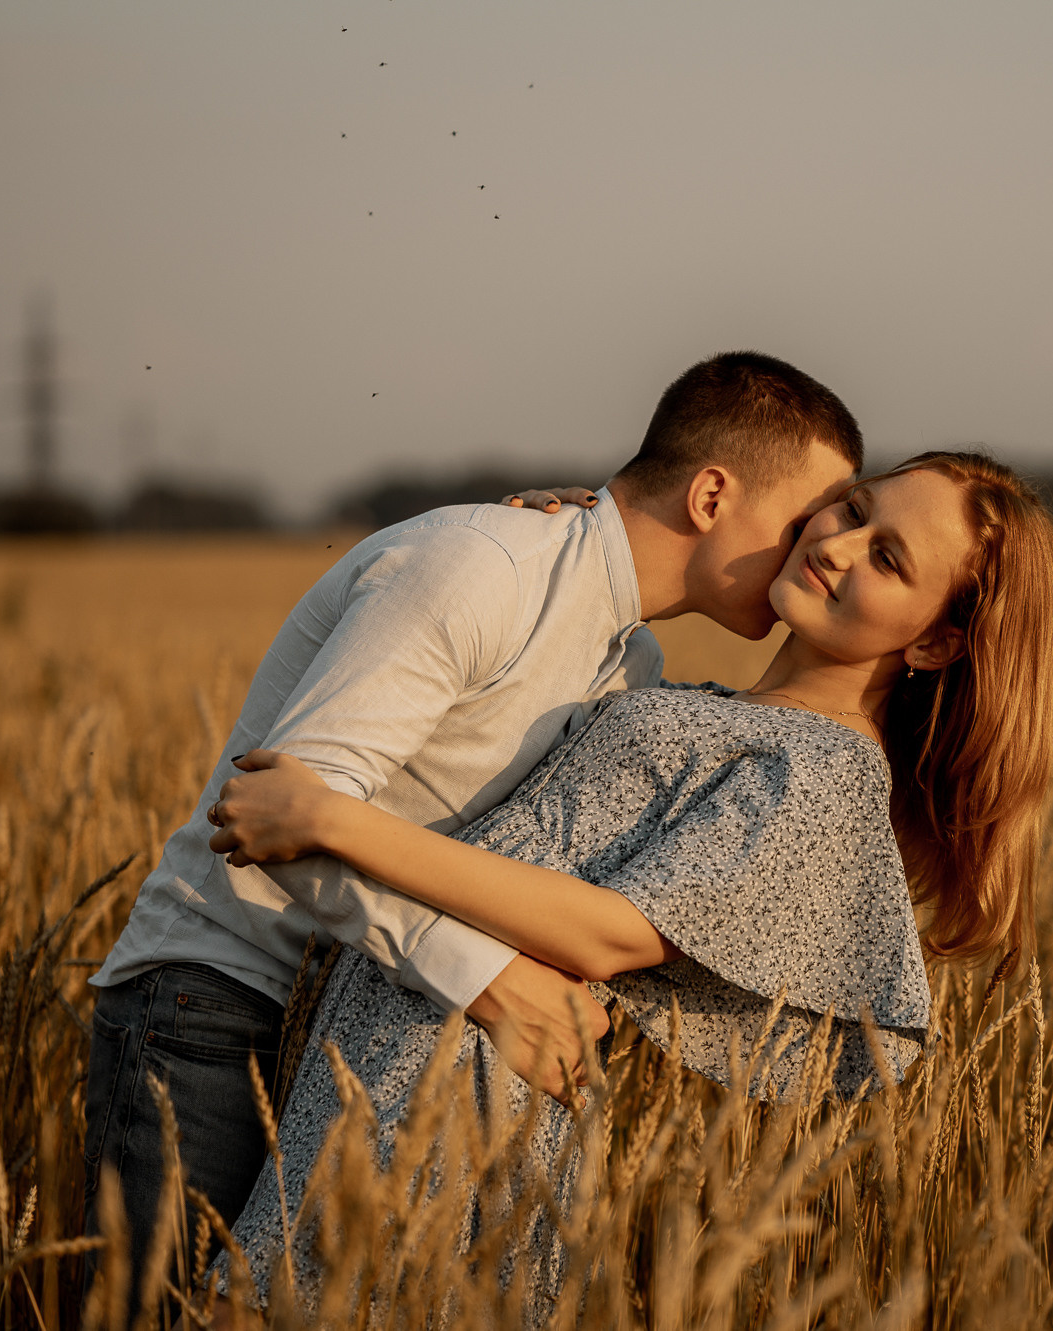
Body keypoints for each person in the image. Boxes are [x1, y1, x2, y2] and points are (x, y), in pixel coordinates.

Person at [204, 452, 1053, 1314]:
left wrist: (335, 821)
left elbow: (612, 932)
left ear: (933, 639)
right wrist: (576, 550)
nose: (842, 546)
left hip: (463, 1097)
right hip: (398, 1045)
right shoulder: (731, 709)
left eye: (889, 559)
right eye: (854, 510)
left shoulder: (829, 770)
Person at [80, 351, 863, 1308]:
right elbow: (273, 812)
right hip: (217, 1005)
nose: (808, 557)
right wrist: (485, 979)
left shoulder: (632, 660)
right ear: (710, 494)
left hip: (365, 1035)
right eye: (797, 526)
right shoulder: (480, 567)